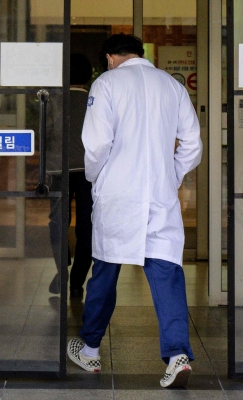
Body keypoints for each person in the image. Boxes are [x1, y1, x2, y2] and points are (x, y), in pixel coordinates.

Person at [67, 34, 202, 389]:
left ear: (110, 57)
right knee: (166, 272)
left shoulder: (107, 83)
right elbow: (192, 144)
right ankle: (177, 356)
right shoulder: (171, 86)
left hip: (118, 193)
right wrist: (170, 175)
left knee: (105, 271)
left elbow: (97, 144)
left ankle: (90, 349)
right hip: (159, 194)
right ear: (139, 54)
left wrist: (97, 177)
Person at [47, 52, 94, 298]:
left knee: (58, 222)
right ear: (88, 76)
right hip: (89, 171)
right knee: (87, 226)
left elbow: (44, 133)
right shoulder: (95, 101)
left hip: (58, 170)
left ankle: (61, 269)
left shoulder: (53, 102)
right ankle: (77, 282)